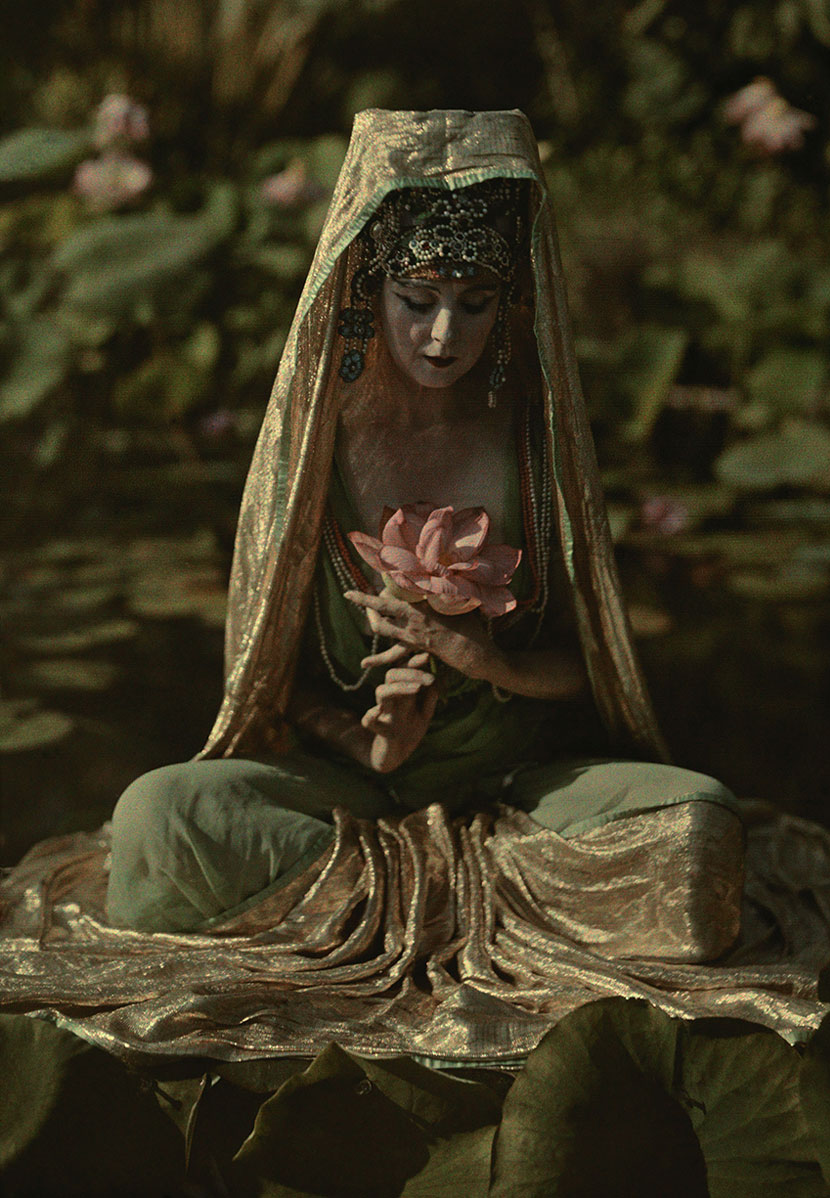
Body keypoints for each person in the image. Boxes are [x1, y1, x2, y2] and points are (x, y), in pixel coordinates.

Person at [106, 109, 743, 952]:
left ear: (508, 305)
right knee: (158, 818)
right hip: (348, 790)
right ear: (370, 293)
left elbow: (587, 672)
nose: (444, 337)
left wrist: (486, 662)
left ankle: (391, 909)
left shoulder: (531, 440)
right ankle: (470, 910)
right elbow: (273, 673)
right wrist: (370, 745)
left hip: (524, 788)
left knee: (696, 825)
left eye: (474, 305)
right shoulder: (316, 450)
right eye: (417, 302)